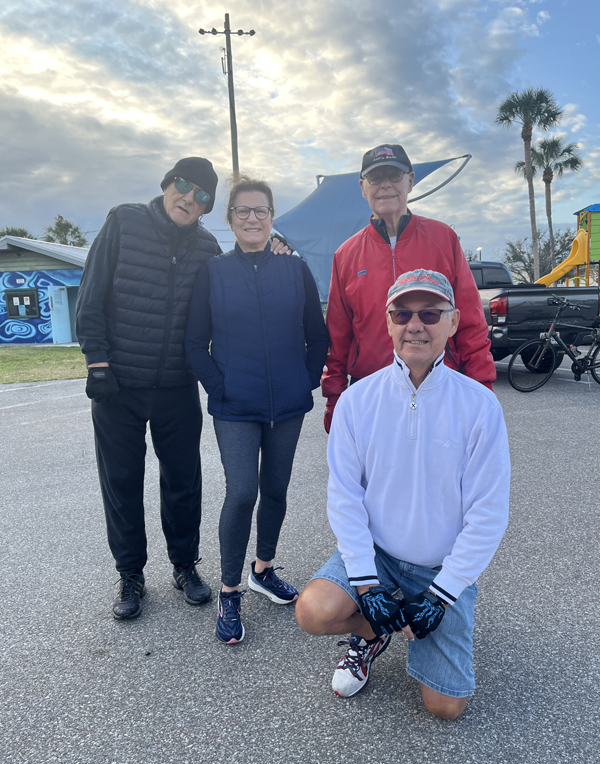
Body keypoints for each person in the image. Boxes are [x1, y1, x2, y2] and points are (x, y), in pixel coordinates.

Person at [77, 158, 290, 621]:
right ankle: (130, 574)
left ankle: (184, 565)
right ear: (167, 184)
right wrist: (97, 363)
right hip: (118, 386)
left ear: (209, 207)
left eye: (202, 195)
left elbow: (233, 295)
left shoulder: (208, 247)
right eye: (183, 185)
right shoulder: (123, 222)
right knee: (122, 483)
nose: (190, 197)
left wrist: (273, 259)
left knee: (183, 482)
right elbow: (90, 298)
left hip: (177, 386)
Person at [296, 269, 510, 719]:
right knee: (313, 611)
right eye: (402, 314)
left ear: (453, 322)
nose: (416, 325)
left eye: (430, 313)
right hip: (379, 554)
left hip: (438, 567)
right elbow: (345, 498)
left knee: (445, 708)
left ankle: (429, 615)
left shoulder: (479, 405)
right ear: (387, 322)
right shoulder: (357, 401)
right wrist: (367, 584)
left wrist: (442, 594)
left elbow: (488, 514)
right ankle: (373, 631)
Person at [185, 175, 329, 645]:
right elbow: (195, 343)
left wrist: (305, 379)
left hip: (287, 404)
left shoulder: (295, 270)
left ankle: (263, 569)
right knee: (243, 491)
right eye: (243, 211)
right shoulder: (213, 272)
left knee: (277, 489)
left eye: (260, 211)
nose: (252, 218)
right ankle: (230, 590)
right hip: (235, 406)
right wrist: (220, 388)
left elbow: (318, 335)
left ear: (271, 217)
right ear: (230, 219)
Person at [322, 143, 496, 433]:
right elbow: (337, 337)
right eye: (375, 178)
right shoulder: (345, 255)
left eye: (394, 175)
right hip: (371, 392)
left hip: (439, 388)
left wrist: (482, 389)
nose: (385, 185)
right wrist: (334, 400)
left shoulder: (444, 239)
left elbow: (471, 323)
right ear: (363, 187)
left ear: (410, 181)